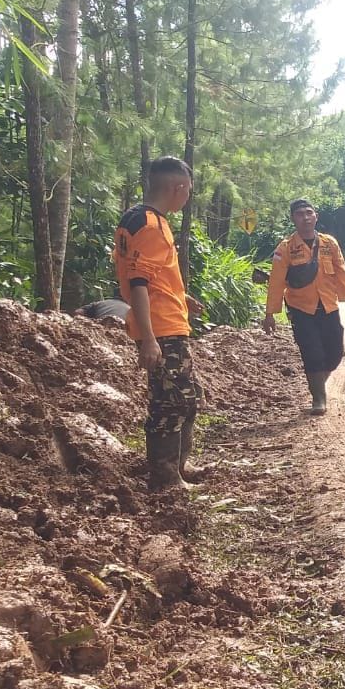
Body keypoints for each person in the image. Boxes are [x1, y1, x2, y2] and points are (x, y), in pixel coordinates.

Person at [112, 156, 204, 491]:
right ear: (178, 187)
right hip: (161, 329)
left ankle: (179, 464)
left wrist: (183, 297)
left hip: (169, 321)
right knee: (171, 402)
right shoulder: (150, 226)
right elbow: (137, 283)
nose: (187, 196)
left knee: (188, 396)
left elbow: (152, 277)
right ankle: (165, 476)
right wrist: (148, 338)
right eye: (188, 190)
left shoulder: (143, 219)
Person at [263, 199, 345, 416]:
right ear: (293, 219)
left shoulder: (329, 244)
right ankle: (318, 398)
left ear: (316, 216)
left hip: (328, 306)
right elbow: (276, 281)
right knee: (312, 353)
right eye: (300, 214)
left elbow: (342, 274)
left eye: (309, 213)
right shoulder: (285, 248)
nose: (305, 218)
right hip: (301, 309)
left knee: (335, 353)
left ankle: (318, 383)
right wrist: (270, 313)